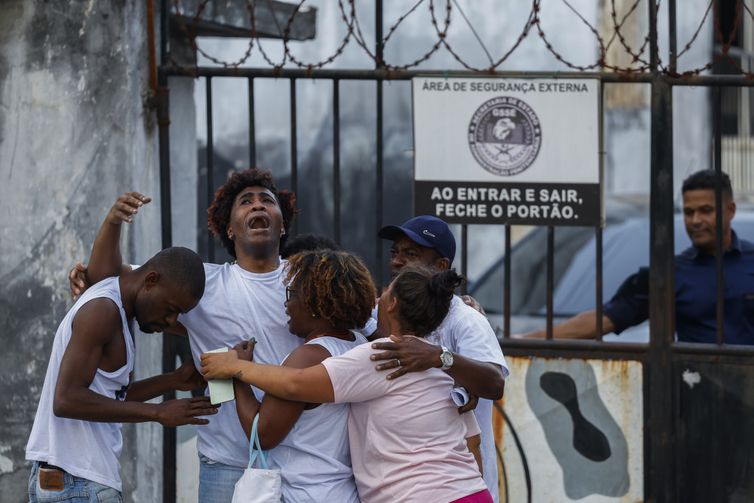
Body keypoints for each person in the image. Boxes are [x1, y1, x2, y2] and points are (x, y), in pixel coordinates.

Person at [74, 170, 300, 503]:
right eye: (246, 202)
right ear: (229, 227)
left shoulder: (310, 278)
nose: (257, 206)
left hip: (302, 461)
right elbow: (106, 279)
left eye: (267, 200)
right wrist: (112, 222)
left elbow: (364, 321)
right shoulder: (204, 285)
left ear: (282, 225)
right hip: (226, 464)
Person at [202, 266, 493, 503]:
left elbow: (295, 384)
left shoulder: (381, 355)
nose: (376, 303)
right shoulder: (436, 362)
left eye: (382, 295)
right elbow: (472, 443)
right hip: (472, 493)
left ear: (391, 303)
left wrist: (236, 368)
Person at [26, 247, 217, 503]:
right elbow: (67, 400)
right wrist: (158, 413)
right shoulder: (104, 310)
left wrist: (173, 380)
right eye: (171, 308)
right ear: (151, 280)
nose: (171, 321)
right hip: (82, 482)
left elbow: (107, 397)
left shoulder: (116, 311)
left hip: (63, 480)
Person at [521, 169, 754, 344]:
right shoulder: (670, 274)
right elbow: (606, 319)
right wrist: (525, 340)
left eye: (706, 210)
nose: (695, 221)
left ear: (730, 210)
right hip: (696, 396)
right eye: (688, 212)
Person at [370, 215, 508, 500]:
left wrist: (441, 358)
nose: (397, 261)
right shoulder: (378, 312)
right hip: (394, 484)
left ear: (441, 266)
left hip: (459, 486)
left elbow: (494, 383)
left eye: (410, 254)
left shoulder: (465, 320)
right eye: (394, 252)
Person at [231, 249, 375, 502]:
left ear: (314, 302)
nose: (286, 303)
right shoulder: (359, 345)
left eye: (292, 293)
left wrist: (237, 373)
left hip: (302, 492)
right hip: (342, 492)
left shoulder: (308, 357)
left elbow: (262, 435)